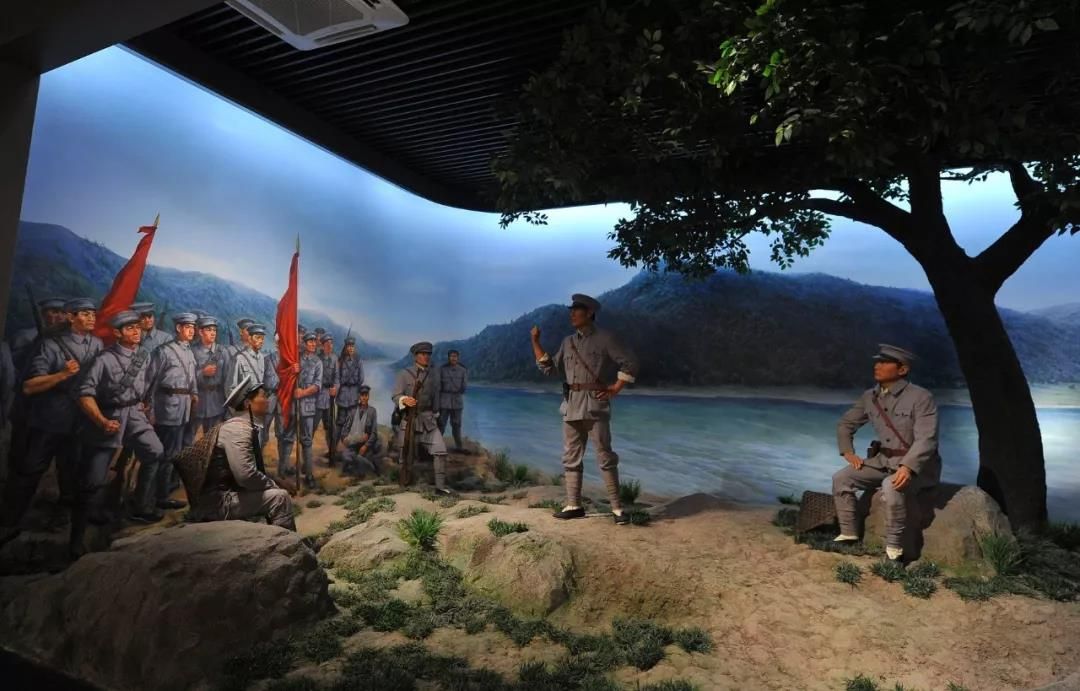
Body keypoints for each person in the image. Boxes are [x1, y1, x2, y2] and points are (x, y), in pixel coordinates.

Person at [0, 298, 103, 546]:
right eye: (85, 314)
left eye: (93, 314)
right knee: (30, 470)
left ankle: (64, 520)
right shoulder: (50, 345)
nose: (91, 318)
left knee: (73, 473)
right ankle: (10, 522)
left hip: (81, 420)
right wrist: (62, 374)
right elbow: (29, 386)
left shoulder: (97, 344)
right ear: (71, 317)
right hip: (49, 418)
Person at [530, 293, 639, 525]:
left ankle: (617, 509)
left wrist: (615, 388)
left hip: (594, 405)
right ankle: (574, 505)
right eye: (571, 310)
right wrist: (536, 342)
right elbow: (550, 368)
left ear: (589, 313)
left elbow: (629, 362)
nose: (571, 314)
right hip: (571, 405)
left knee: (605, 455)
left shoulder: (605, 338)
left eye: (576, 310)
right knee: (570, 456)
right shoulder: (567, 342)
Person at [833, 344, 941, 564]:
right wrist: (848, 451)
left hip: (918, 467)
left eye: (884, 362)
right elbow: (846, 424)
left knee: (891, 486)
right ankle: (849, 534)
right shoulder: (870, 396)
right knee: (842, 478)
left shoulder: (921, 397)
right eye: (877, 361)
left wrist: (908, 467)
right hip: (883, 461)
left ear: (902, 370)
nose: (877, 366)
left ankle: (894, 548)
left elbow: (927, 438)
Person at [73, 310, 164, 554]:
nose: (136, 332)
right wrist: (102, 421)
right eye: (130, 328)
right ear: (117, 332)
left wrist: (146, 407)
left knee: (155, 451)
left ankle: (141, 506)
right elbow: (84, 394)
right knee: (93, 480)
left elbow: (147, 386)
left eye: (138, 327)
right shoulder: (104, 359)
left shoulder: (144, 356)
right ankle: (77, 538)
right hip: (110, 416)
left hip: (134, 415)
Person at [191, 375, 296, 530]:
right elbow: (245, 476)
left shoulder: (241, 426)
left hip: (225, 495)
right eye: (263, 396)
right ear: (247, 404)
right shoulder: (238, 430)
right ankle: (288, 543)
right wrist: (274, 485)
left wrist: (276, 481)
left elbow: (249, 470)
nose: (267, 400)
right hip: (220, 502)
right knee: (280, 498)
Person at [142, 312, 198, 513]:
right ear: (178, 328)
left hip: (183, 409)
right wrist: (149, 410)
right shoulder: (163, 351)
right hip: (166, 408)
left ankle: (162, 495)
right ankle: (149, 500)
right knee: (161, 455)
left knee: (173, 454)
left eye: (193, 327)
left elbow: (192, 380)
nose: (191, 331)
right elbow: (149, 382)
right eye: (187, 327)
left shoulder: (189, 352)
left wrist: (194, 394)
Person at [392, 342, 450, 494]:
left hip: (428, 420)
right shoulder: (404, 374)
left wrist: (437, 415)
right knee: (404, 455)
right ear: (415, 356)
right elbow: (395, 395)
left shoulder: (434, 375)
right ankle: (404, 486)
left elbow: (436, 398)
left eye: (428, 354)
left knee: (440, 451)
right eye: (423, 354)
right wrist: (404, 400)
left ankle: (440, 488)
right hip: (409, 420)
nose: (426, 357)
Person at [279, 332, 322, 489]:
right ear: (304, 343)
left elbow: (317, 385)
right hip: (293, 405)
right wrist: (292, 370)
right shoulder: (295, 359)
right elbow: (284, 378)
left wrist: (303, 393)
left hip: (308, 406)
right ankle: (282, 472)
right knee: (288, 438)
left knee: (307, 441)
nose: (312, 344)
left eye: (314, 341)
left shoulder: (318, 362)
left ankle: (309, 475)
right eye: (309, 341)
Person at [229, 323, 271, 448]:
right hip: (244, 410)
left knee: (258, 442)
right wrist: (239, 410)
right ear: (249, 338)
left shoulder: (262, 358)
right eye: (257, 337)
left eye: (262, 338)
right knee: (244, 444)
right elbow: (231, 387)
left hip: (258, 409)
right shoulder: (239, 359)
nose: (261, 341)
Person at [191, 316, 228, 435]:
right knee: (188, 439)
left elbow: (227, 378)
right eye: (209, 330)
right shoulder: (191, 351)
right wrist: (202, 373)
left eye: (214, 330)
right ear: (200, 332)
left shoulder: (222, 352)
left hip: (216, 402)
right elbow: (185, 377)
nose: (213, 333)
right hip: (196, 402)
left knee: (212, 439)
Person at [338, 385, 381, 476]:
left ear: (368, 396)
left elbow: (374, 433)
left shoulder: (372, 411)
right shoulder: (353, 411)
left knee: (365, 462)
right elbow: (345, 430)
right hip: (353, 445)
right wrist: (346, 438)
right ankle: (356, 465)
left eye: (366, 395)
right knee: (346, 456)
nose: (364, 398)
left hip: (367, 446)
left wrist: (365, 446)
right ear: (359, 396)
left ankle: (364, 467)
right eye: (362, 395)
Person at [336, 336, 365, 449]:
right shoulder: (341, 360)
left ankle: (349, 450)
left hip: (353, 395)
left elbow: (361, 378)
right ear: (346, 347)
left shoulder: (358, 361)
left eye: (352, 346)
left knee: (352, 422)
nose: (351, 348)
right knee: (340, 422)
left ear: (354, 347)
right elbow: (337, 377)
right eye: (348, 346)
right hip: (343, 394)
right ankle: (334, 448)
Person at [438, 350, 468, 452]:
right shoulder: (442, 369)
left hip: (457, 401)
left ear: (458, 358)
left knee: (457, 425)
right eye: (451, 356)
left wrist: (457, 392)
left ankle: (459, 447)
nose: (453, 358)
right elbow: (438, 386)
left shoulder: (463, 370)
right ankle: (437, 445)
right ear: (448, 357)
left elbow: (464, 387)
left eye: (455, 356)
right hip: (444, 401)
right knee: (441, 424)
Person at [315, 334, 339, 459]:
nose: (329, 346)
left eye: (331, 344)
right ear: (323, 346)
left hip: (330, 398)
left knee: (330, 428)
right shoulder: (317, 358)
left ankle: (332, 453)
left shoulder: (334, 358)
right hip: (318, 397)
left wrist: (336, 387)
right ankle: (306, 457)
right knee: (312, 426)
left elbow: (337, 377)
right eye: (327, 344)